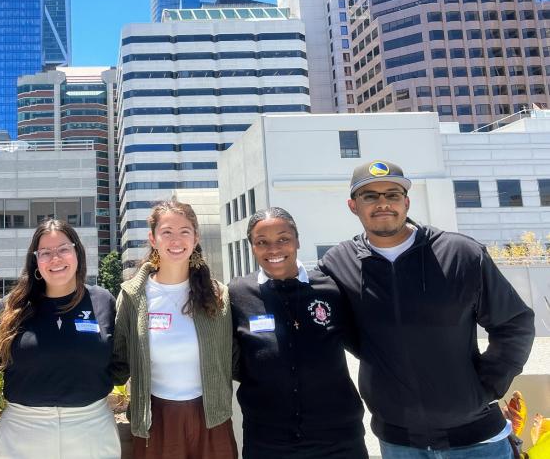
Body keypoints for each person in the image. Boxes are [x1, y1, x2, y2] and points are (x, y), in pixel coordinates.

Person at [318, 160, 536, 459]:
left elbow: (514, 323)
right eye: (370, 196)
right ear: (353, 206)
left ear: (406, 202)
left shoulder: (460, 254)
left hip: (477, 439)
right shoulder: (338, 262)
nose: (383, 203)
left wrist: (485, 388)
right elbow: (334, 323)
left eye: (392, 194)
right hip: (399, 441)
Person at [229, 207, 366, 458]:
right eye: (262, 242)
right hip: (268, 441)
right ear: (252, 247)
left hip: (339, 439)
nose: (274, 249)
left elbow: (366, 344)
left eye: (283, 239)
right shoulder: (237, 293)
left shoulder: (331, 288)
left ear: (297, 241)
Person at [112, 199, 237, 459]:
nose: (176, 240)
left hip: (211, 417)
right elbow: (118, 361)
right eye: (167, 232)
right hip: (154, 420)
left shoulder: (218, 295)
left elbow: (235, 357)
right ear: (153, 238)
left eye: (184, 232)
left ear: (196, 237)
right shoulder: (133, 296)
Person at [0, 219, 119, 459]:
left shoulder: (103, 301)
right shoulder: (11, 308)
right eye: (45, 252)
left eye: (63, 249)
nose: (55, 258)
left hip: (92, 430)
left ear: (77, 252)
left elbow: (121, 360)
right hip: (22, 434)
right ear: (35, 261)